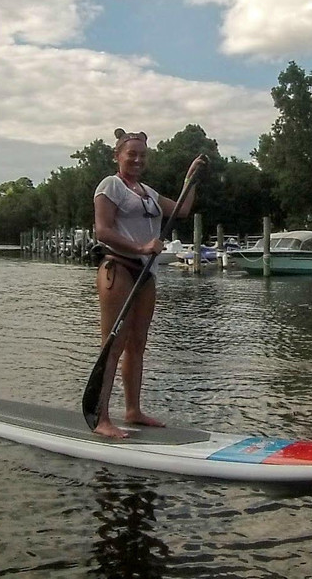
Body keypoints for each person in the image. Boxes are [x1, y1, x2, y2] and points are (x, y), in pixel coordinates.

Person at [91, 128, 207, 439]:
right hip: (118, 267)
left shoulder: (149, 193)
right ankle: (101, 418)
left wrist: (191, 179)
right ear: (118, 156)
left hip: (145, 274)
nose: (138, 159)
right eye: (132, 154)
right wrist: (141, 247)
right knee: (113, 345)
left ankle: (133, 410)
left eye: (143, 155)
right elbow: (103, 231)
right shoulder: (110, 185)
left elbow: (182, 209)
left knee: (137, 345)